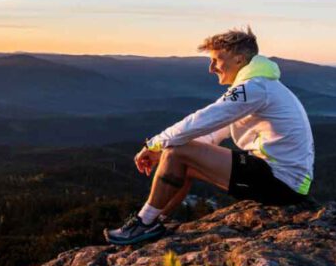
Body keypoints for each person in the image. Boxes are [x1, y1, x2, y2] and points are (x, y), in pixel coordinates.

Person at [104, 27, 315, 245]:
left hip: (280, 182)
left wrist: (155, 144)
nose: (211, 68)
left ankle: (144, 224)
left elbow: (201, 120)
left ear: (239, 60)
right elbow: (213, 133)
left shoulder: (255, 88)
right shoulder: (260, 86)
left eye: (216, 60)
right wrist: (167, 153)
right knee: (178, 154)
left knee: (178, 150)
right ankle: (154, 220)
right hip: (284, 181)